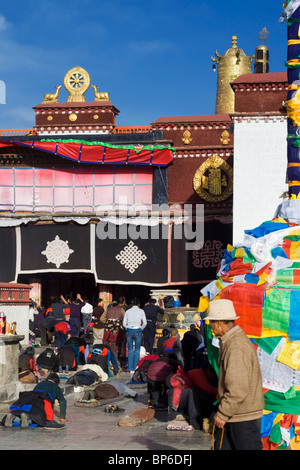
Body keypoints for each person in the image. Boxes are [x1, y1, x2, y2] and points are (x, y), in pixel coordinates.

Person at [205, 299, 265, 451]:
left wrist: (223, 413)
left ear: (218, 323)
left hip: (243, 416)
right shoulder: (231, 341)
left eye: (211, 323)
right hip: (237, 413)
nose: (210, 327)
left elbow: (237, 388)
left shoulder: (236, 345)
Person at [123, 298, 147, 375]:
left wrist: (128, 328)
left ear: (131, 304)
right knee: (137, 350)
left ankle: (130, 368)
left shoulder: (128, 311)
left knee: (130, 350)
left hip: (129, 330)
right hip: (138, 330)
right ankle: (136, 367)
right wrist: (141, 328)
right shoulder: (141, 311)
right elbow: (145, 323)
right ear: (138, 304)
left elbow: (124, 324)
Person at [103, 298, 125, 365]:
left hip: (108, 332)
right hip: (118, 332)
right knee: (117, 348)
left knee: (109, 347)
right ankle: (116, 362)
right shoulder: (121, 310)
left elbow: (101, 318)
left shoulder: (107, 310)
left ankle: (110, 362)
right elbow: (125, 319)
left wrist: (108, 322)